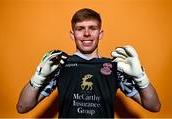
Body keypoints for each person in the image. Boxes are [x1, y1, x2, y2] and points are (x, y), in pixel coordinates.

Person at [16, 8, 161, 118]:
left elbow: (154, 106)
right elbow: (22, 107)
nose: (87, 34)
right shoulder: (59, 65)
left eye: (93, 28)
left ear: (100, 34)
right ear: (73, 35)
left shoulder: (115, 67)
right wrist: (39, 76)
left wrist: (140, 77)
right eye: (80, 29)